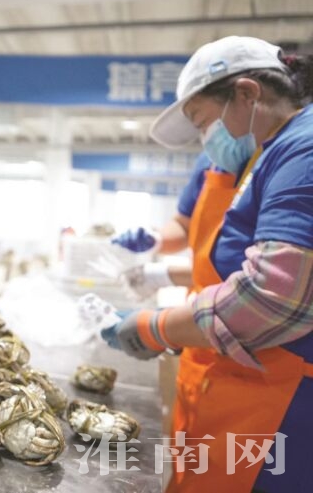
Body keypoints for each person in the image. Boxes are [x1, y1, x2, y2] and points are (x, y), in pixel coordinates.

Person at [102, 36, 313, 492]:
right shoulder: (271, 153)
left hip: (283, 406)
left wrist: (157, 326)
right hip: (241, 381)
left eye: (203, 122)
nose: (206, 140)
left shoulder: (304, 151)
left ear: (247, 93)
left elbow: (271, 299)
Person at [111, 151, 232, 299]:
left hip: (235, 302)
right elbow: (184, 225)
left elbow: (247, 274)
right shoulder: (212, 160)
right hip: (202, 298)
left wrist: (166, 275)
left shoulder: (259, 170)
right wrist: (156, 240)